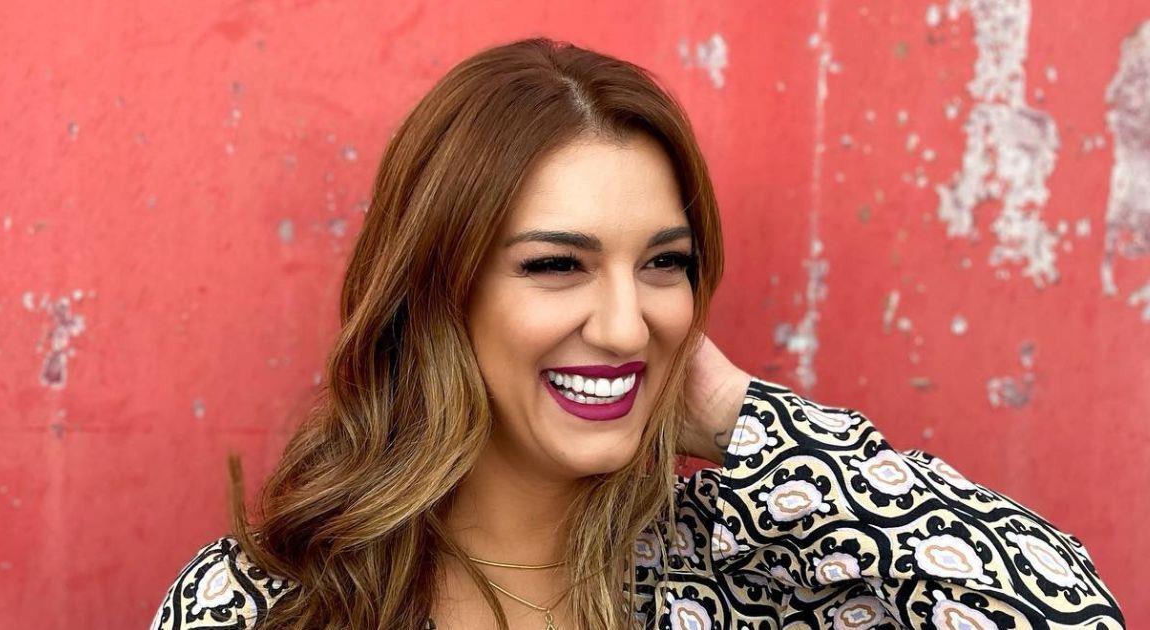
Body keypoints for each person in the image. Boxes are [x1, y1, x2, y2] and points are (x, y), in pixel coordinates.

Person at [150, 37, 1126, 629]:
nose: (627, 326)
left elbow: (1065, 613)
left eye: (664, 264)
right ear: (436, 291)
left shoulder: (756, 576)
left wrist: (743, 418)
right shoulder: (270, 601)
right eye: (556, 265)